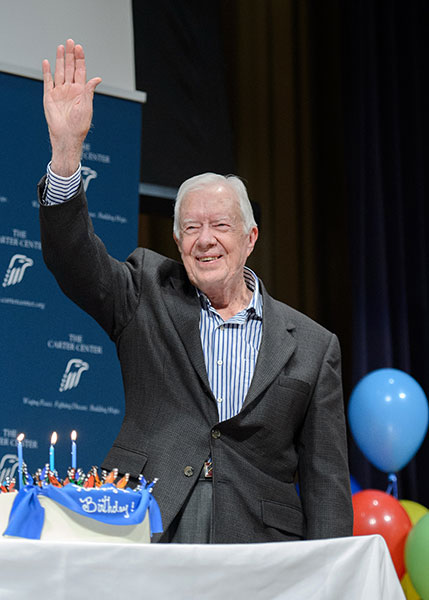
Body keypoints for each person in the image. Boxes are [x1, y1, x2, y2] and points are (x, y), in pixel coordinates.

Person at [39, 39, 353, 543]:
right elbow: (71, 258)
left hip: (257, 543)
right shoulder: (145, 290)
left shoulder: (314, 347)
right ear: (176, 240)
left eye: (220, 226)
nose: (205, 239)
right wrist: (66, 152)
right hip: (151, 520)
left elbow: (327, 485)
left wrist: (331, 576)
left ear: (250, 238)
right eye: (191, 228)